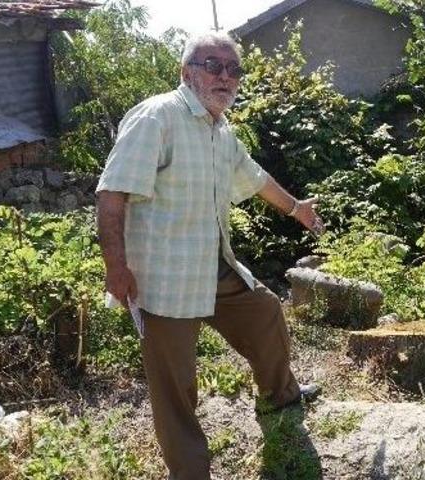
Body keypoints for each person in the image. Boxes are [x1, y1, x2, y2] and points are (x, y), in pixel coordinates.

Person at [95, 32, 322, 480]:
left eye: (233, 69)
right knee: (176, 389)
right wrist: (116, 268)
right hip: (163, 281)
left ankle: (279, 397)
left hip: (214, 265)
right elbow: (111, 194)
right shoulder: (156, 117)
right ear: (187, 72)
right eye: (213, 65)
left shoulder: (221, 130)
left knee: (265, 313)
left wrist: (297, 209)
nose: (225, 76)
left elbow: (255, 179)